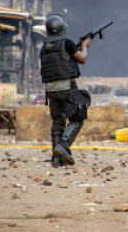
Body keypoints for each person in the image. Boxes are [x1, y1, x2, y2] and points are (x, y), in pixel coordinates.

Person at [42, 13, 90, 166]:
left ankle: (56, 160)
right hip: (66, 88)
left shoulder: (44, 47)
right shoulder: (67, 43)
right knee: (77, 119)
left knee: (58, 122)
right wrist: (84, 46)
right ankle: (63, 146)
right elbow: (82, 59)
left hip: (50, 90)